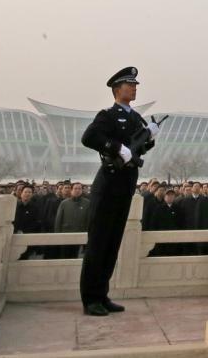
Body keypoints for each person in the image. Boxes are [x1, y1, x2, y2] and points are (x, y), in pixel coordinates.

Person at [79, 66, 158, 317]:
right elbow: (89, 137)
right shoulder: (108, 115)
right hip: (109, 181)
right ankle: (90, 297)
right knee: (99, 241)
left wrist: (149, 137)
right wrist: (115, 147)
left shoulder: (136, 118)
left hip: (126, 182)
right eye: (130, 85)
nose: (134, 88)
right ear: (117, 90)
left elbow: (139, 149)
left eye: (135, 85)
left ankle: (102, 294)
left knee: (113, 241)